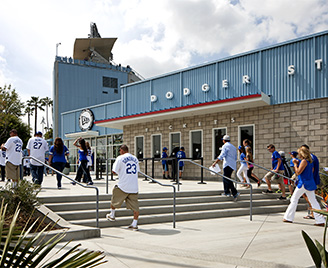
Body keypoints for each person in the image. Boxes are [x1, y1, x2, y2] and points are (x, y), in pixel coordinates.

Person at [283, 146, 325, 226]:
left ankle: (288, 217)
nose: (298, 155)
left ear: (302, 154)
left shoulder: (304, 161)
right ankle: (320, 220)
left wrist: (295, 164)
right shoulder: (310, 161)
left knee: (294, 199)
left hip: (303, 183)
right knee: (313, 201)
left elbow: (298, 172)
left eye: (299, 153)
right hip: (310, 183)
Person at [106, 144, 140, 230]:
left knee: (115, 196)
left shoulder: (120, 158)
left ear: (121, 150)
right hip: (134, 186)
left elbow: (114, 171)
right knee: (135, 206)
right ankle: (134, 224)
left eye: (119, 151)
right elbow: (137, 171)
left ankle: (112, 214)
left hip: (123, 185)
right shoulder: (135, 158)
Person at [212, 135, 240, 201]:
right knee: (227, 177)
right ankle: (226, 192)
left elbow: (222, 155)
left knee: (226, 178)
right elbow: (235, 157)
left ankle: (234, 192)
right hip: (232, 164)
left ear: (224, 140)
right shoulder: (233, 147)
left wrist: (215, 162)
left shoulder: (225, 146)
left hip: (227, 164)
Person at [301, 145, 321, 220]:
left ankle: (313, 213)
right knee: (312, 198)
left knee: (310, 198)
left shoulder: (309, 158)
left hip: (309, 180)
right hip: (312, 179)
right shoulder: (312, 157)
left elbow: (311, 170)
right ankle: (314, 213)